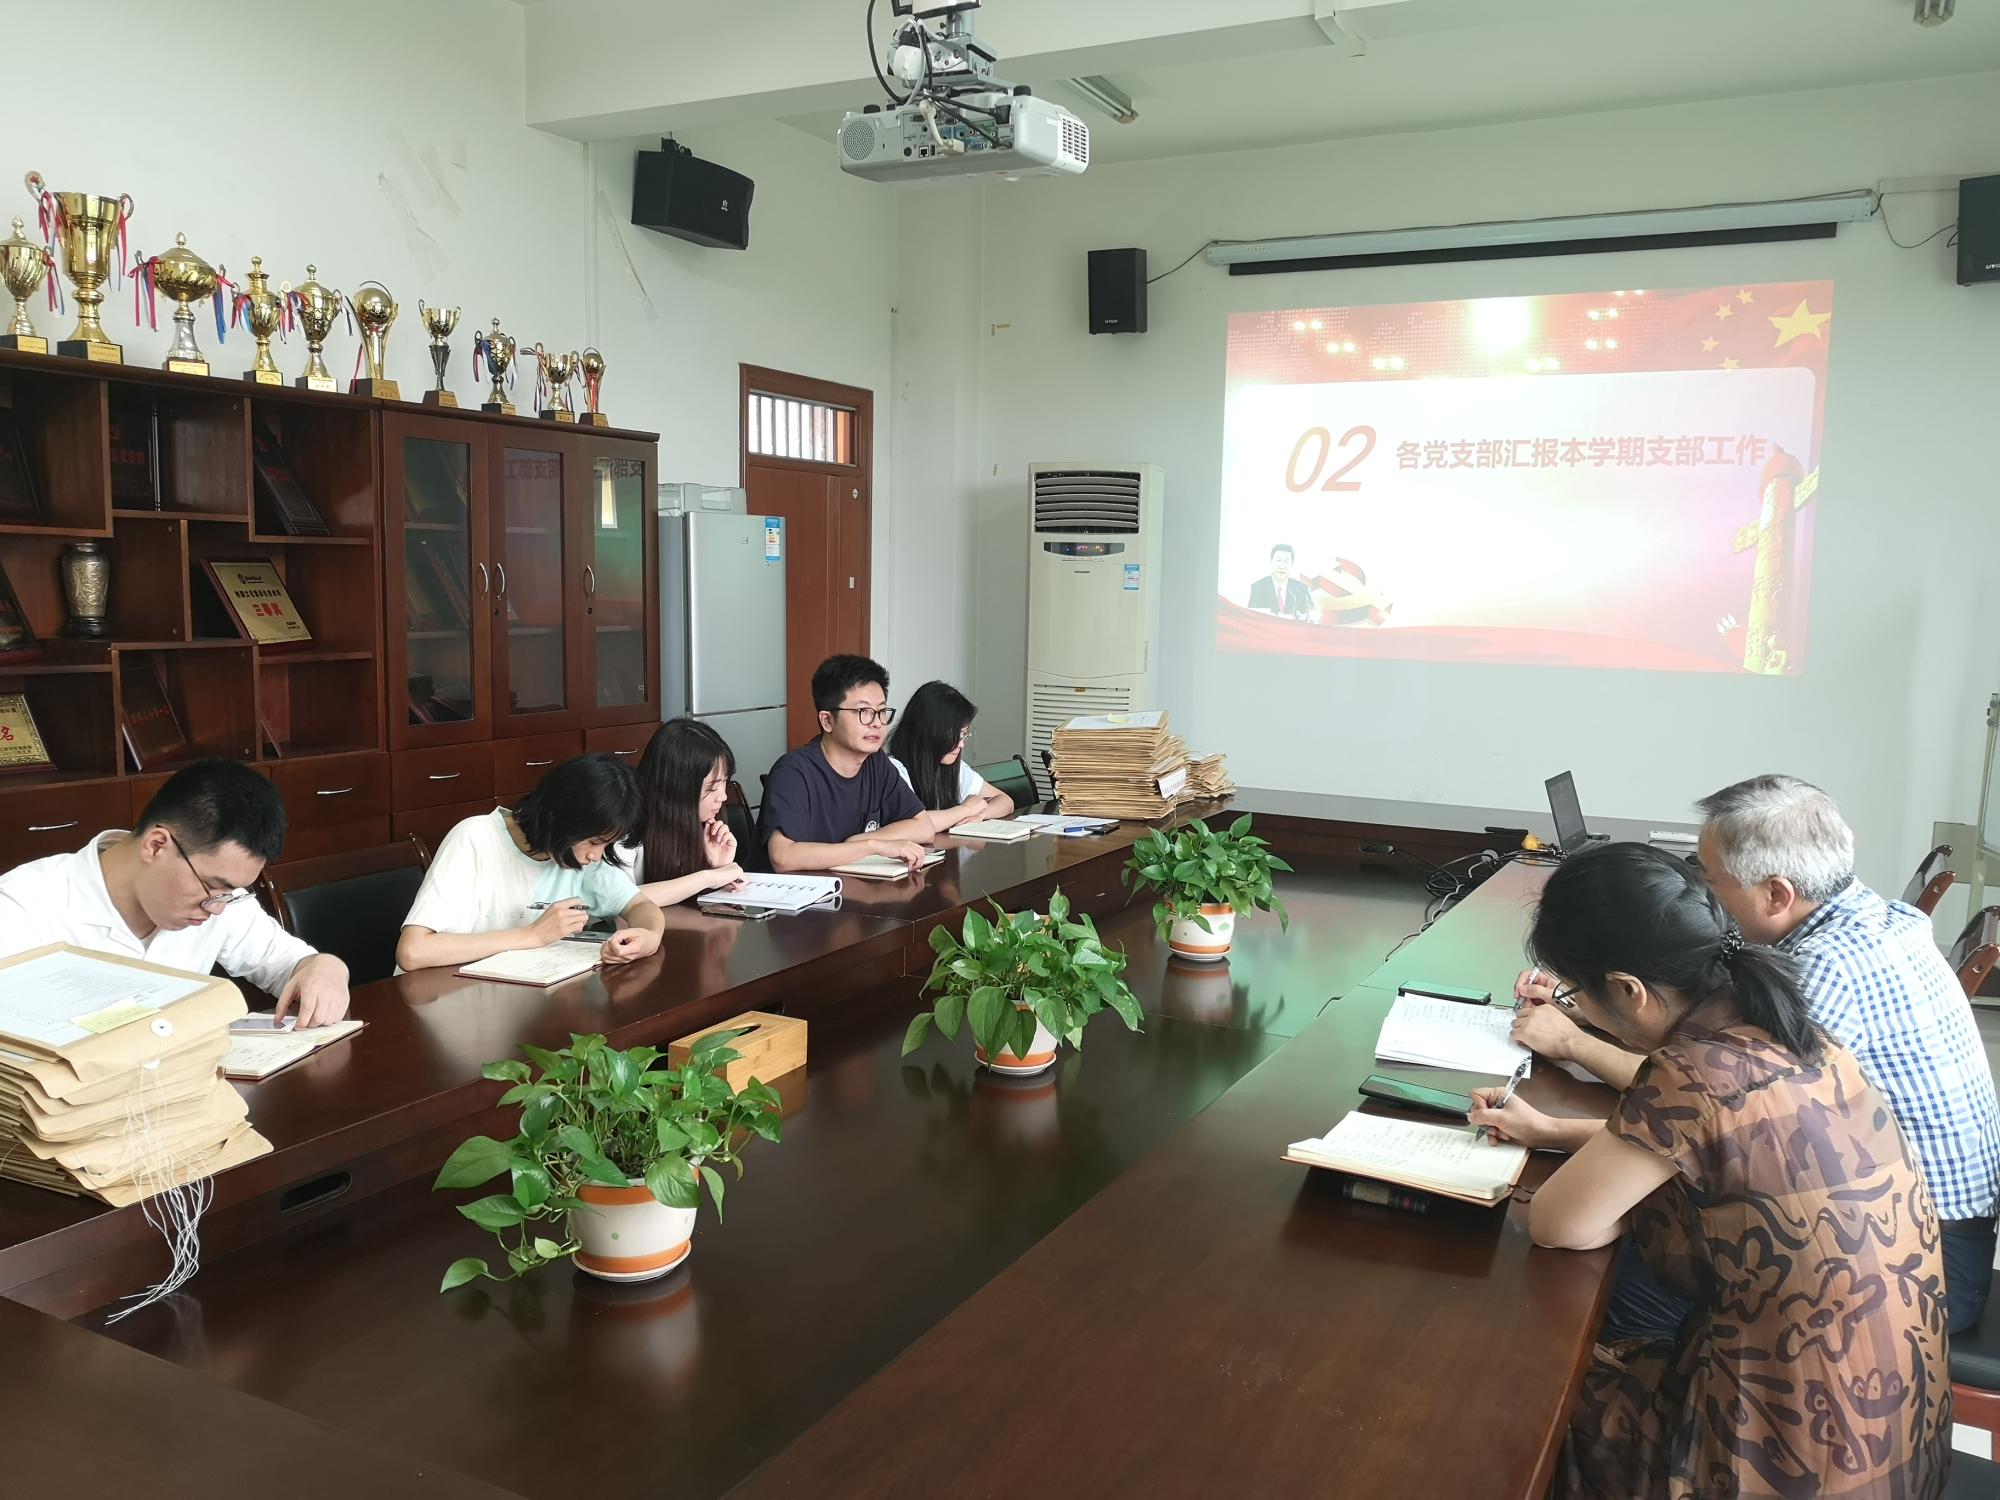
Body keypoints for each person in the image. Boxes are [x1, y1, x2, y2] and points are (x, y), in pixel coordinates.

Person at [1477, 842, 1951, 1500]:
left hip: (1784, 1465)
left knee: (1517, 1394)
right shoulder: (1796, 1031)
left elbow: (1560, 1224)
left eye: (1576, 992)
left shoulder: (1691, 1071)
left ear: (1629, 991)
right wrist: (1558, 1133)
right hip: (1895, 1443)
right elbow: (1723, 1157)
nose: (1575, 1005)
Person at [1497, 774, 2000, 1336]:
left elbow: (1708, 1109)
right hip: (1895, 1225)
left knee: (1585, 1289)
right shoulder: (1870, 920)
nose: (1698, 895)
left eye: (1707, 878)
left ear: (1776, 895)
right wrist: (1598, 1008)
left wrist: (1574, 1049)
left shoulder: (1819, 973)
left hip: (1921, 1262)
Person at [0, 758, 350, 1026]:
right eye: (213, 886)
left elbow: (292, 963)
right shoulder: (23, 908)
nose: (216, 908)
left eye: (230, 892)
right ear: (156, 845)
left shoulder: (220, 897)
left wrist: (327, 968)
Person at [395, 754, 665, 972]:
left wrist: (650, 937)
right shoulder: (475, 838)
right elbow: (412, 952)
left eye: (606, 845)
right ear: (558, 817)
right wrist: (532, 935)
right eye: (594, 842)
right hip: (440, 999)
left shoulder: (577, 858)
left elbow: (639, 905)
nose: (596, 855)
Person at [758, 655, 978, 873]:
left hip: (848, 888)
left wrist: (860, 841)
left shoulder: (876, 763)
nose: (877, 723)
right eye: (863, 712)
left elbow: (923, 827)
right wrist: (871, 846)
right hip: (791, 894)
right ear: (827, 720)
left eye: (881, 712)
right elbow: (783, 857)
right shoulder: (793, 771)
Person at [622, 717, 746, 907]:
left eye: (725, 783)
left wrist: (721, 867)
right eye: (712, 787)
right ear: (677, 787)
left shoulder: (704, 824)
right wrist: (709, 877)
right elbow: (620, 898)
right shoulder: (625, 824)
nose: (723, 796)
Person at [886, 681, 1015, 822]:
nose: (961, 744)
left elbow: (1005, 801)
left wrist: (980, 815)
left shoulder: (955, 768)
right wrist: (967, 810)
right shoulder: (894, 770)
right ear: (927, 733)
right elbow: (916, 823)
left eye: (963, 734)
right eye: (952, 735)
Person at [1246, 544, 1315, 621]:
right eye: (1278, 560)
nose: (1282, 566)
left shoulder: (1301, 589)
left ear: (1291, 564)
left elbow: (1310, 619)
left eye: (1286, 561)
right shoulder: (1259, 588)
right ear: (1271, 562)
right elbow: (1252, 619)